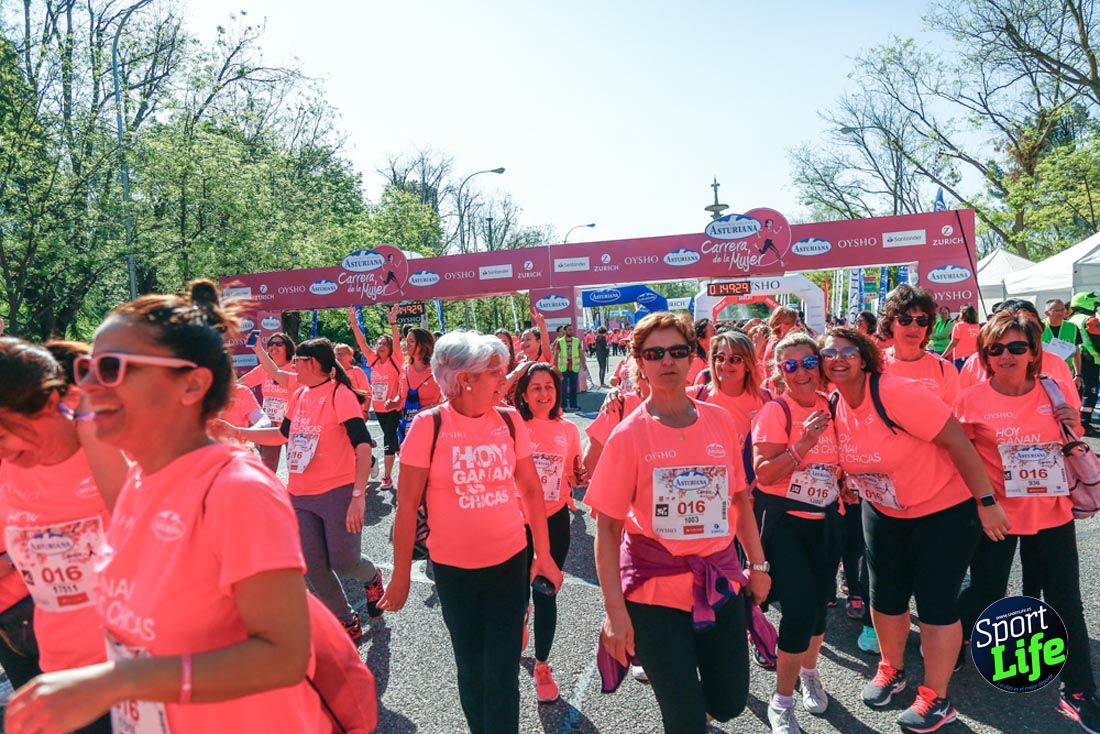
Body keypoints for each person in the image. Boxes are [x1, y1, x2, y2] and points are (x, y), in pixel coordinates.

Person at [7, 281, 326, 733]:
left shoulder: (235, 489)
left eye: (112, 368)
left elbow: (284, 656)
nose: (88, 387)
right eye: (86, 368)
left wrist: (111, 683)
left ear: (192, 384)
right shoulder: (140, 482)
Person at [587, 312, 770, 734]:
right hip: (655, 596)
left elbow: (739, 497)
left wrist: (758, 566)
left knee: (729, 703)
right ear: (640, 361)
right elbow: (608, 528)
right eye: (654, 353)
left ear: (692, 356)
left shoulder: (719, 419)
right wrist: (615, 613)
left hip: (718, 581)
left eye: (677, 351)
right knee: (684, 718)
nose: (667, 361)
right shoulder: (628, 435)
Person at [821, 326, 1009, 734]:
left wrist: (987, 502)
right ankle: (891, 669)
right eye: (828, 352)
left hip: (942, 511)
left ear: (865, 356)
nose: (837, 358)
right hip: (883, 509)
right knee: (884, 597)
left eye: (847, 351)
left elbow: (959, 442)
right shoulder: (835, 401)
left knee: (936, 604)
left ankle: (937, 699)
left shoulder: (896, 392)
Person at [380, 331, 563, 734]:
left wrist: (544, 554)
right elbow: (407, 504)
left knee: (501, 671)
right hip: (453, 570)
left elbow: (531, 489)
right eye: (494, 372)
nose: (504, 379)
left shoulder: (510, 421)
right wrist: (399, 576)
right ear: (465, 379)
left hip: (509, 565)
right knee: (471, 667)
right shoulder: (428, 426)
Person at [954, 311, 1100, 732]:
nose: (1006, 355)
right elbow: (960, 458)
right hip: (997, 515)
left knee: (1066, 599)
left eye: (1017, 347)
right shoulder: (970, 400)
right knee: (985, 590)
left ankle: (1078, 688)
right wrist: (983, 503)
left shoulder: (1054, 392)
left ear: (1034, 352)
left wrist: (1072, 427)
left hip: (1051, 513)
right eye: (996, 349)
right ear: (984, 355)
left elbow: (1070, 443)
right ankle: (945, 642)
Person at [0, 338, 127, 734]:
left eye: (2, 435)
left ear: (47, 402)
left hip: (138, 672)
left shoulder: (111, 446)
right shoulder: (7, 468)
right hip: (58, 675)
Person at [230, 337, 384, 641]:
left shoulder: (339, 395)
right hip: (300, 495)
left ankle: (372, 576)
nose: (293, 367)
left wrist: (358, 496)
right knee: (312, 563)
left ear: (312, 363)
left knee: (344, 562)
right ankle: (345, 619)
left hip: (337, 492)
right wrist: (237, 432)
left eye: (297, 361)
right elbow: (282, 435)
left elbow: (363, 445)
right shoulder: (300, 394)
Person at [752, 332, 842, 733]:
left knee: (820, 608)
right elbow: (763, 473)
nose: (801, 372)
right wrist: (803, 443)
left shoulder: (832, 405)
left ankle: (809, 672)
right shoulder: (776, 411)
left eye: (808, 363)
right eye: (790, 366)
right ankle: (781, 699)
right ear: (780, 371)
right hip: (785, 522)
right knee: (800, 609)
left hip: (826, 521)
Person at [513, 364, 584, 703]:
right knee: (515, 596)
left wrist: (579, 476)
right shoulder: (511, 425)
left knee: (546, 592)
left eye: (549, 387)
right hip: (515, 523)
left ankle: (542, 665)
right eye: (536, 388)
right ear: (524, 394)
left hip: (555, 521)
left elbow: (574, 474)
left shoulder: (568, 430)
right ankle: (520, 613)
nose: (544, 394)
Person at [349, 305, 405, 488]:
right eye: (378, 344)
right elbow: (362, 343)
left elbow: (397, 342)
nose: (380, 346)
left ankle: (387, 477)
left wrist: (393, 322)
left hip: (395, 407)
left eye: (383, 344)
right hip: (379, 408)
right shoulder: (373, 360)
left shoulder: (395, 359)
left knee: (389, 438)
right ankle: (406, 462)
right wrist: (354, 323)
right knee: (394, 441)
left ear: (389, 348)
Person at [879, 286, 960, 403]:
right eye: (905, 319)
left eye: (922, 320)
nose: (914, 327)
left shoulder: (945, 370)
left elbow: (953, 417)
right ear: (890, 323)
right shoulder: (874, 365)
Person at [692, 331, 769, 453]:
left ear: (748, 365)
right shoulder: (696, 396)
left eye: (735, 359)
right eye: (720, 358)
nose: (725, 364)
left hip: (750, 472)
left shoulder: (767, 399)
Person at [239, 333, 296, 472]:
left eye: (278, 344)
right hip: (271, 425)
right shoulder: (263, 368)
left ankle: (296, 493)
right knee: (268, 467)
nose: (273, 347)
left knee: (296, 467)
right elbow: (240, 384)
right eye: (270, 344)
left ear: (287, 347)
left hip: (293, 425)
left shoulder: (295, 367)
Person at [398, 327, 442, 440]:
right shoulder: (404, 369)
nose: (407, 345)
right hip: (408, 428)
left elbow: (453, 399)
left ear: (423, 344)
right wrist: (394, 402)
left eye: (411, 341)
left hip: (432, 427)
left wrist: (431, 408)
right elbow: (401, 397)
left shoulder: (438, 370)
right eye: (406, 341)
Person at [1067, 292, 1100, 429]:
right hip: (1089, 359)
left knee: (1078, 390)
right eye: (1095, 304)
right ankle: (1085, 423)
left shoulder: (1071, 319)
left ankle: (1077, 421)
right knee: (1090, 391)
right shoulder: (1091, 320)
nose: (1096, 308)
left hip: (1074, 359)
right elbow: (1098, 342)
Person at [1043, 298, 1083, 378]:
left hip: (1067, 373)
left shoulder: (1072, 327)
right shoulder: (1038, 327)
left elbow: (1076, 352)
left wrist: (1078, 375)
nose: (1061, 313)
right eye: (1056, 310)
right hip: (1045, 374)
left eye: (1063, 309)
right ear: (1047, 313)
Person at [554, 323, 585, 412]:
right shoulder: (560, 341)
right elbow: (556, 355)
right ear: (565, 331)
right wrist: (555, 367)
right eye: (569, 330)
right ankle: (563, 406)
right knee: (563, 388)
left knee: (573, 387)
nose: (571, 331)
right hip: (563, 368)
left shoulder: (576, 341)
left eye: (572, 329)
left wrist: (583, 364)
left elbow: (580, 353)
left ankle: (573, 405)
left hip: (574, 367)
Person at [943, 305, 981, 370]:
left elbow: (953, 343)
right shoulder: (977, 326)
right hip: (975, 358)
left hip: (961, 358)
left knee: (960, 379)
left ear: (963, 314)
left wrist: (943, 355)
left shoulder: (959, 326)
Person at [688, 318, 716, 385]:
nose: (717, 337)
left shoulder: (710, 359)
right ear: (701, 340)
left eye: (716, 332)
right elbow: (686, 387)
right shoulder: (697, 361)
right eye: (713, 333)